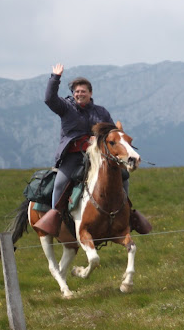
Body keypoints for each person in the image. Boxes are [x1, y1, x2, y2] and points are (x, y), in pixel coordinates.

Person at [33, 63, 150, 236]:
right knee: (60, 183)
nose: (79, 94)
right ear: (73, 94)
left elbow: (112, 134)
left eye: (83, 91)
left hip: (98, 156)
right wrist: (55, 78)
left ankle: (126, 213)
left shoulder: (101, 112)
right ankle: (55, 216)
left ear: (90, 93)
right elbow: (49, 99)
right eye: (77, 91)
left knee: (123, 176)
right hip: (73, 156)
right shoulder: (66, 108)